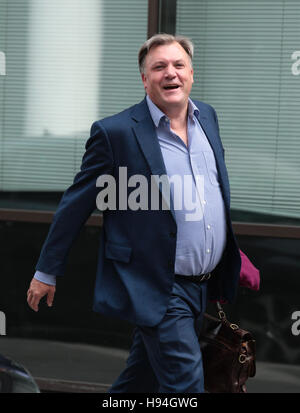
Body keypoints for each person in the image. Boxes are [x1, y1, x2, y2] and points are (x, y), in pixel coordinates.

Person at [26, 33, 242, 393]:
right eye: (159, 67)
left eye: (178, 65)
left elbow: (209, 195)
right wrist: (47, 270)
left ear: (192, 73)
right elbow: (76, 204)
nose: (170, 73)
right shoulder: (116, 133)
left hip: (203, 286)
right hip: (157, 284)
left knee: (138, 383)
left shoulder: (208, 119)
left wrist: (225, 245)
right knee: (186, 387)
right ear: (145, 79)